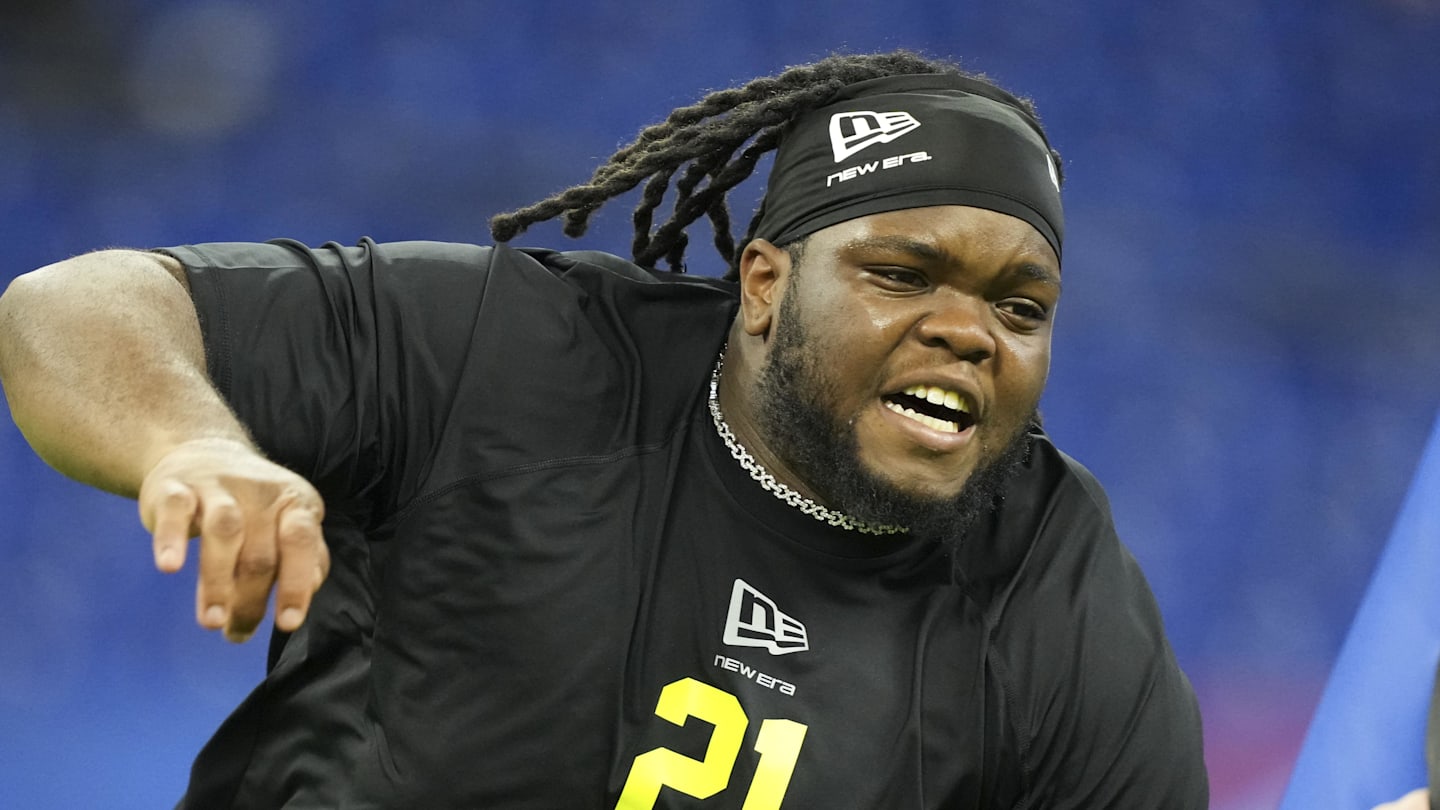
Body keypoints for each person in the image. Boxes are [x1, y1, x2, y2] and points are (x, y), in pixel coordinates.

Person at [0, 51, 1208, 807]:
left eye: (1021, 307)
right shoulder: (514, 356)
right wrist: (193, 445)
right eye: (904, 275)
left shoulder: (1054, 584)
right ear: (765, 285)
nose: (971, 332)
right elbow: (69, 310)